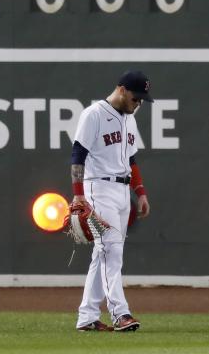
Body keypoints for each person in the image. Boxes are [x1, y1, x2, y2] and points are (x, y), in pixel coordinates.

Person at [70, 70, 152, 332]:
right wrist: (78, 193)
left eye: (142, 99)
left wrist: (140, 192)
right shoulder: (93, 114)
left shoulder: (130, 119)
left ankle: (87, 316)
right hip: (97, 188)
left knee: (103, 253)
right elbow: (78, 153)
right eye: (136, 97)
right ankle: (120, 313)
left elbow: (132, 160)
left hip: (122, 191)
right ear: (122, 90)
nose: (138, 103)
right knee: (111, 252)